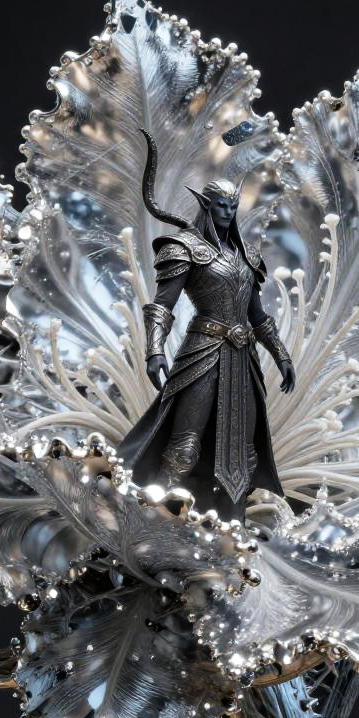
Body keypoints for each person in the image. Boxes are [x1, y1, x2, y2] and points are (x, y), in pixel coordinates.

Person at [118, 130, 296, 521]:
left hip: (243, 359)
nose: (227, 213)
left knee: (244, 453)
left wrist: (281, 355)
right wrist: (154, 350)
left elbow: (258, 316)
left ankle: (233, 526)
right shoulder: (184, 248)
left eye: (232, 206)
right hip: (203, 353)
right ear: (207, 206)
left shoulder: (247, 256)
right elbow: (162, 305)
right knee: (184, 445)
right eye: (220, 206)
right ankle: (154, 518)